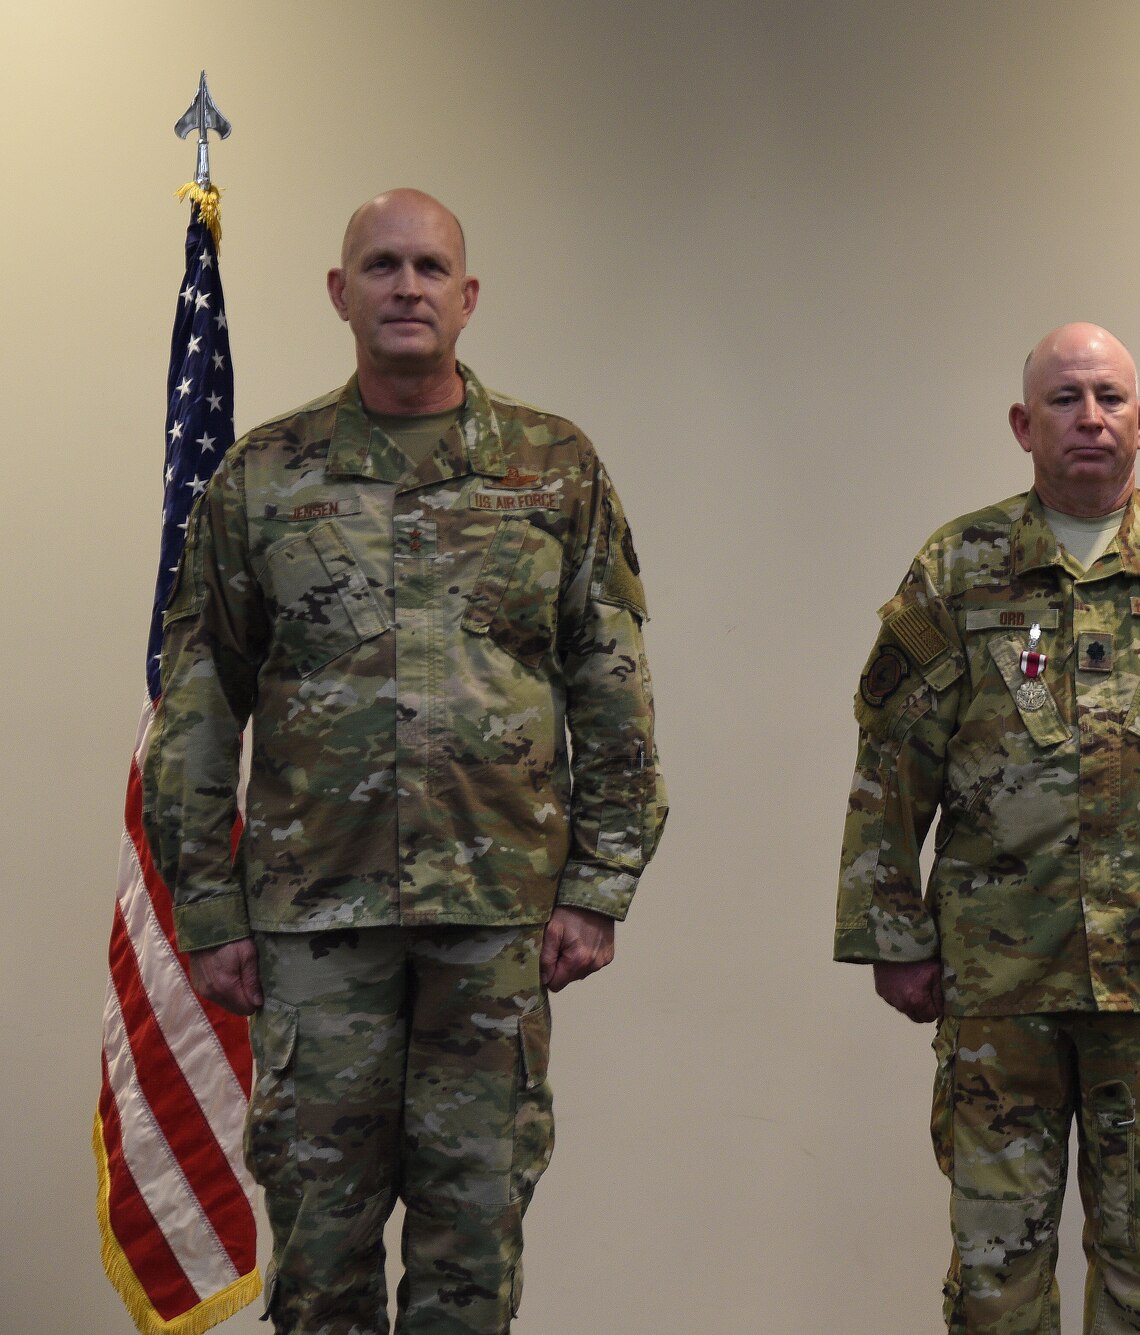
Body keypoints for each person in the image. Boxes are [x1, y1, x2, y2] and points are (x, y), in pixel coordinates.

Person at [142, 188, 668, 1334]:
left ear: (467, 298)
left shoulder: (551, 470)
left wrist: (599, 883)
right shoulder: (263, 478)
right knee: (321, 1256)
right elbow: (197, 702)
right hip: (313, 920)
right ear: (341, 294)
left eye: (431, 267)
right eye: (381, 266)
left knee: (471, 1249)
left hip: (494, 919)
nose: (407, 287)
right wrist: (210, 909)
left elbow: (610, 685)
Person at [835, 322, 1140, 1332]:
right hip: (998, 986)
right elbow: (891, 765)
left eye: (1109, 397)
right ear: (1024, 425)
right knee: (994, 1280)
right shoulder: (960, 564)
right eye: (1064, 399)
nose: (1089, 418)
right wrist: (892, 937)